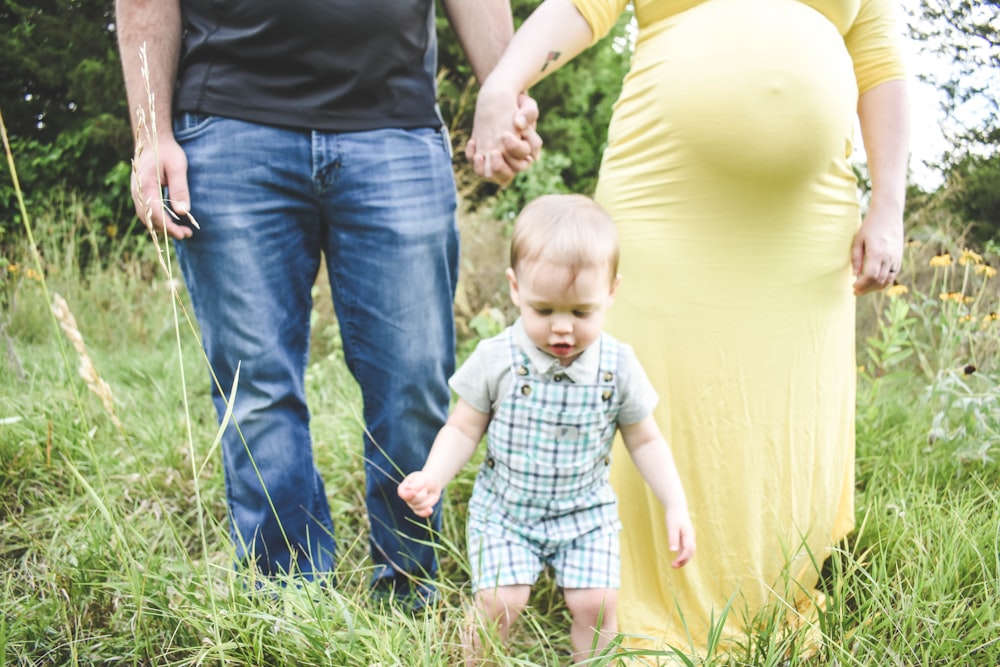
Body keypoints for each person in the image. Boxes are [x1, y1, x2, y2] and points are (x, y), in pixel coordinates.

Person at [467, 0, 909, 657]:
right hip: (663, 198)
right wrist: (505, 81)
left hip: (805, 225)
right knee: (652, 397)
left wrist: (889, 205)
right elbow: (582, 7)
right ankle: (634, 610)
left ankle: (765, 599)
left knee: (785, 411)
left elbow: (878, 63)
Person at [114, 0, 541, 604]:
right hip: (230, 121)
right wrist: (151, 131)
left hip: (394, 125)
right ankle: (287, 600)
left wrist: (503, 89)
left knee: (413, 381)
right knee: (254, 387)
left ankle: (409, 596)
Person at [397, 194, 695, 664]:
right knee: (500, 603)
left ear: (611, 293)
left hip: (586, 515)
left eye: (580, 313)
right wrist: (433, 476)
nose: (562, 329)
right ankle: (471, 659)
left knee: (597, 605)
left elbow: (645, 438)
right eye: (543, 310)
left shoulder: (618, 366)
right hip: (506, 513)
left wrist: (675, 503)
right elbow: (462, 428)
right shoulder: (497, 358)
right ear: (515, 289)